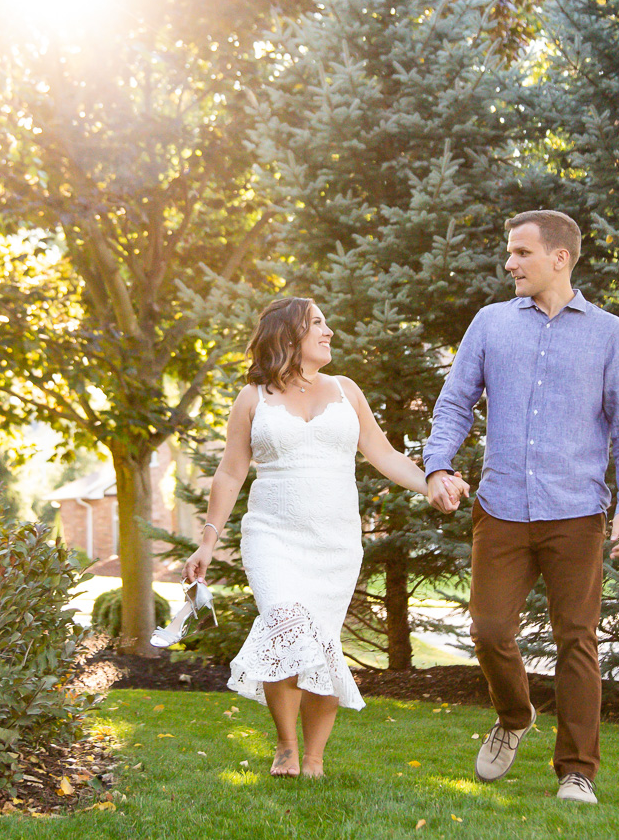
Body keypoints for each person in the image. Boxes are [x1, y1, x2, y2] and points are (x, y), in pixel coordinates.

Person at [182, 295, 463, 779]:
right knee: (285, 623)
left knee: (322, 643)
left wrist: (432, 480)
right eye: (317, 323)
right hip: (272, 536)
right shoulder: (254, 398)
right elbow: (230, 473)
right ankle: (286, 746)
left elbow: (385, 454)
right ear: (288, 335)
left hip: (334, 542)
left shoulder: (346, 391)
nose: (328, 331)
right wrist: (208, 541)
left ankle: (314, 758)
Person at [423, 210, 619, 805]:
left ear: (560, 258)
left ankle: (577, 771)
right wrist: (438, 466)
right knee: (489, 627)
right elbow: (454, 404)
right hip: (501, 506)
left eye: (521, 253)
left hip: (576, 511)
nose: (509, 264)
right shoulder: (491, 324)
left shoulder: (609, 335)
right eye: (509, 252)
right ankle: (515, 715)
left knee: (576, 639)